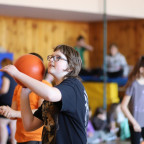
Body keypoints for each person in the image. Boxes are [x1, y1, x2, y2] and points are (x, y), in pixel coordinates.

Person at [0, 45, 89, 144]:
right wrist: (24, 92)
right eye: (51, 57)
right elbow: (29, 125)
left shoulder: (74, 85)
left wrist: (18, 74)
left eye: (58, 58)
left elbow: (49, 94)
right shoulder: (56, 96)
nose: (51, 60)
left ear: (70, 67)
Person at [0, 53, 54, 144]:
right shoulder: (19, 87)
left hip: (36, 137)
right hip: (20, 137)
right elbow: (13, 116)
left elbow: (41, 112)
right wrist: (7, 111)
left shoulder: (44, 86)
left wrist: (14, 113)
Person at [121, 56, 144, 144]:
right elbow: (123, 106)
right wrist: (134, 123)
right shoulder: (133, 84)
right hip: (136, 124)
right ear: (141, 69)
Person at [0, 58, 17, 144]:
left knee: (2, 124)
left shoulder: (6, 75)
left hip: (5, 102)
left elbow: (4, 90)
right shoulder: (15, 75)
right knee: (13, 124)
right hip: (14, 103)